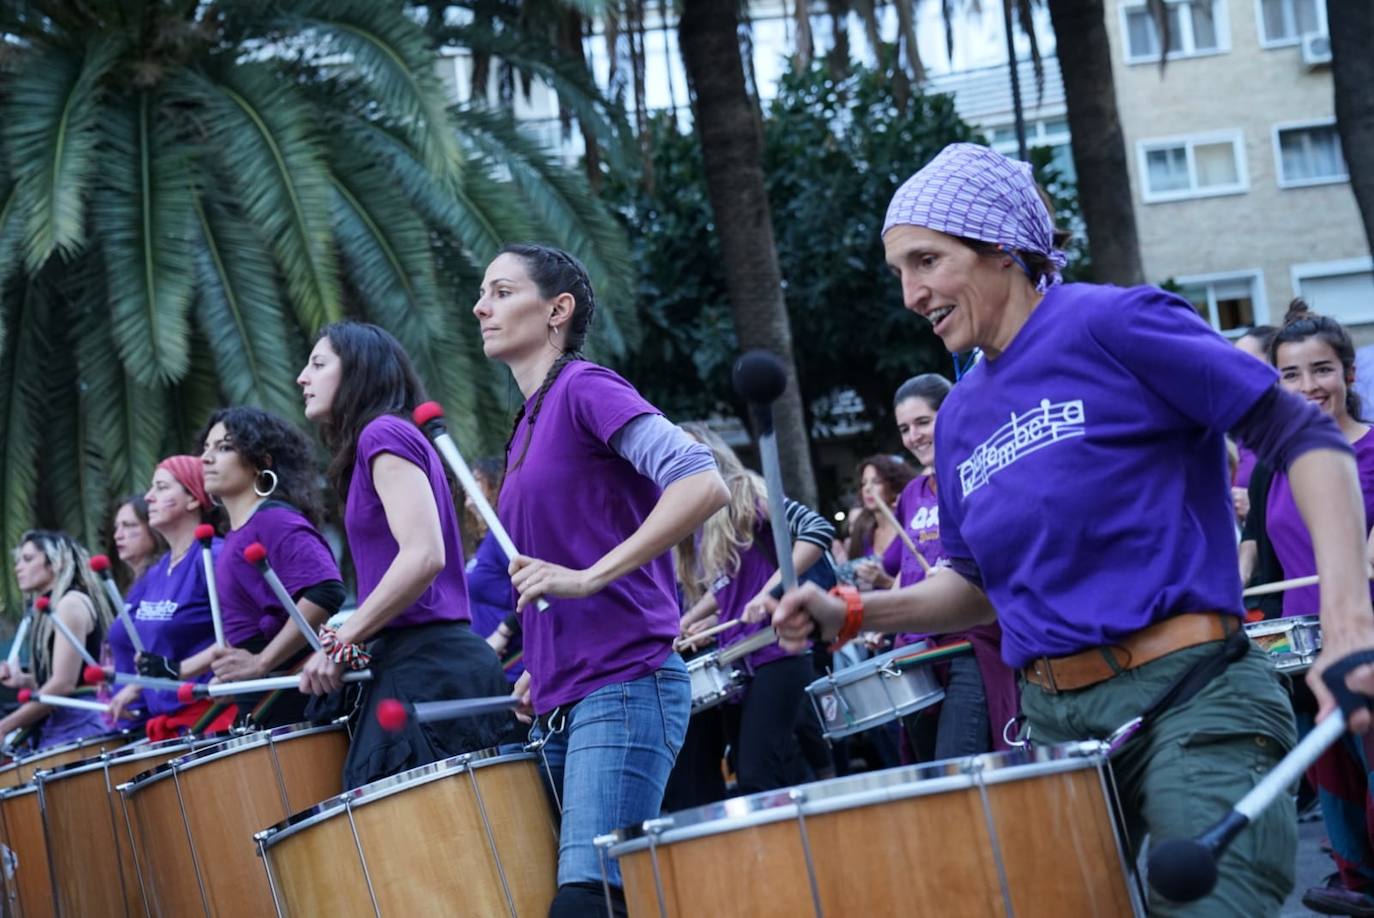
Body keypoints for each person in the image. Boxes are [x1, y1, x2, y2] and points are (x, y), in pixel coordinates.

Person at [771, 143, 1374, 917]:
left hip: (1191, 694)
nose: (912, 293)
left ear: (1001, 248)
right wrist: (853, 612)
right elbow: (974, 587)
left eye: (927, 261)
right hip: (1053, 726)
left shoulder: (1116, 322)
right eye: (899, 273)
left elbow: (1309, 443)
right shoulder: (957, 421)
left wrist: (1348, 631)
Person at [475, 242, 727, 917]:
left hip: (625, 684)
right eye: (482, 294)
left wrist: (589, 578)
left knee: (587, 905)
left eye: (500, 291)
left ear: (557, 309)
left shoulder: (586, 388)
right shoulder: (526, 422)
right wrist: (542, 660)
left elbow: (702, 482)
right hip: (565, 696)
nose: (481, 306)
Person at [295, 321, 511, 788]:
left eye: (317, 364)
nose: (302, 378)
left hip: (428, 667)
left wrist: (342, 639)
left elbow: (423, 554)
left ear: (357, 371)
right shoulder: (382, 439)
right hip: (420, 666)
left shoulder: (383, 434)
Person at [1241, 305, 1374, 915]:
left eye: (1321, 370)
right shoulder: (1274, 465)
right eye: (1290, 376)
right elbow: (1253, 557)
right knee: (1332, 771)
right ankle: (1356, 879)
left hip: (1364, 636)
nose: (1307, 387)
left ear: (1348, 373)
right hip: (1297, 645)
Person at [673, 422, 835, 798]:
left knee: (756, 775)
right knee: (756, 777)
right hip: (740, 660)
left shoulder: (742, 490)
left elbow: (816, 529)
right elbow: (730, 587)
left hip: (778, 651)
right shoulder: (692, 521)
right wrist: (691, 621)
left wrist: (769, 592)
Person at [880, 373, 1019, 759]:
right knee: (930, 778)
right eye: (904, 429)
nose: (914, 437)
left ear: (952, 413)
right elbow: (903, 569)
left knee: (959, 768)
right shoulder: (910, 493)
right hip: (915, 650)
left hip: (969, 643)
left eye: (923, 422)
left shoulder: (981, 473)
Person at [182, 407, 345, 728]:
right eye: (206, 448)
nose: (206, 458)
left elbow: (327, 590)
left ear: (262, 462)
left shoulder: (274, 520)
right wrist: (235, 677)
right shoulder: (236, 535)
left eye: (224, 447)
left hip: (294, 704)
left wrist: (262, 662)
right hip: (263, 701)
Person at [106, 457, 236, 739]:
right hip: (170, 727)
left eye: (162, 488)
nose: (150, 497)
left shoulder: (211, 555)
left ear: (192, 499)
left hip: (212, 721)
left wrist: (183, 670)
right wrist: (138, 685)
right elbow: (163, 657)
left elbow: (244, 631)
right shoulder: (157, 571)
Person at [1, 531, 115, 747]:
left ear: (56, 562)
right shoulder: (51, 607)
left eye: (27, 559)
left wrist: (6, 725)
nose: (18, 568)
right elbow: (70, 676)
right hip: (62, 729)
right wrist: (23, 680)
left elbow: (64, 684)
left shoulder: (69, 604)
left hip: (80, 731)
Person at [464, 458, 524, 683]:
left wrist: (502, 633)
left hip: (516, 668)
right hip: (491, 670)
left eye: (477, 479)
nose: (467, 484)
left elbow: (532, 586)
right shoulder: (485, 542)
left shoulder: (503, 536)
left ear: (494, 485)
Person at [844, 455, 914, 590]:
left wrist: (886, 582)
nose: (867, 488)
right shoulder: (864, 532)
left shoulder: (909, 528)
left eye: (876, 482)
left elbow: (923, 583)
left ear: (894, 486)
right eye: (864, 483)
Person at [110, 495, 166, 590]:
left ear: (154, 528)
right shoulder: (133, 585)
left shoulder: (168, 580)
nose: (117, 536)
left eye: (129, 526)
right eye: (116, 527)